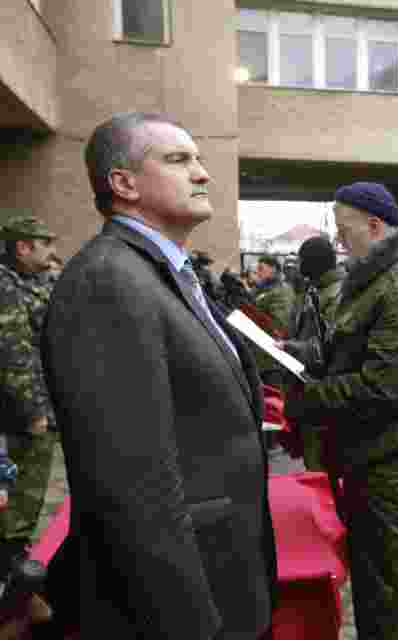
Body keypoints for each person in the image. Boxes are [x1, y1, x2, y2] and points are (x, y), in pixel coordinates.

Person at [40, 112, 276, 638]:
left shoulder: (162, 273)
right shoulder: (109, 281)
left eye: (198, 158)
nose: (202, 173)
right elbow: (132, 486)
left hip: (222, 576)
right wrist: (187, 623)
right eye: (177, 159)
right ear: (123, 183)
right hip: (179, 607)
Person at [283, 182, 398, 640]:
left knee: (394, 587)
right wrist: (295, 353)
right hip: (368, 459)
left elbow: (388, 387)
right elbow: (349, 352)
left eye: (344, 230)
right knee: (375, 583)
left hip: (390, 466)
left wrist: (308, 400)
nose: (338, 241)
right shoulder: (374, 280)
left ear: (375, 227)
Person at [0, 216, 59, 568]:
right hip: (21, 407)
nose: (53, 252)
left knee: (26, 488)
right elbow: (13, 352)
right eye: (45, 243)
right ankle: (10, 561)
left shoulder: (29, 281)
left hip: (33, 401)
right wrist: (34, 410)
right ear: (23, 247)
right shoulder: (5, 285)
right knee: (25, 489)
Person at [282, 235, 346, 471]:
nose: (297, 267)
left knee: (323, 471)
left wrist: (292, 348)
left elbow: (333, 348)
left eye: (301, 261)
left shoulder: (336, 294)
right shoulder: (316, 290)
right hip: (311, 393)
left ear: (313, 263)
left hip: (324, 397)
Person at [250, 254, 295, 386]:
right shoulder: (262, 288)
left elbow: (279, 326)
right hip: (258, 355)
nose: (257, 272)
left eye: (261, 268)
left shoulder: (282, 291)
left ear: (273, 269)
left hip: (271, 360)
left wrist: (252, 318)